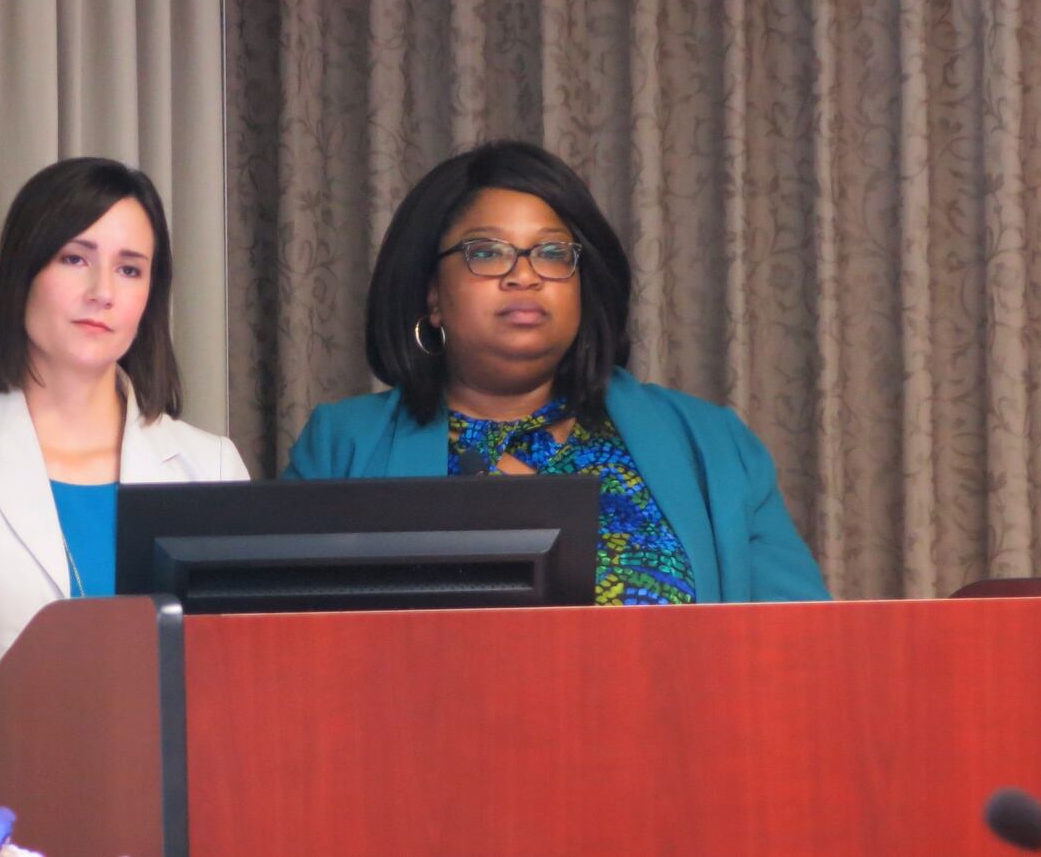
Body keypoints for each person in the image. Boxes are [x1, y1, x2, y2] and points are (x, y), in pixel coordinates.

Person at [286, 141, 827, 605]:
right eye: (487, 253)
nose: (525, 277)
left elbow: (800, 647)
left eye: (551, 252)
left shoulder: (713, 445)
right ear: (432, 295)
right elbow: (284, 654)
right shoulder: (342, 448)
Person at [0, 157, 249, 777]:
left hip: (166, 797)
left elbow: (238, 676)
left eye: (130, 269)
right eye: (74, 258)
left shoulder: (210, 465)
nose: (102, 291)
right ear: (23, 271)